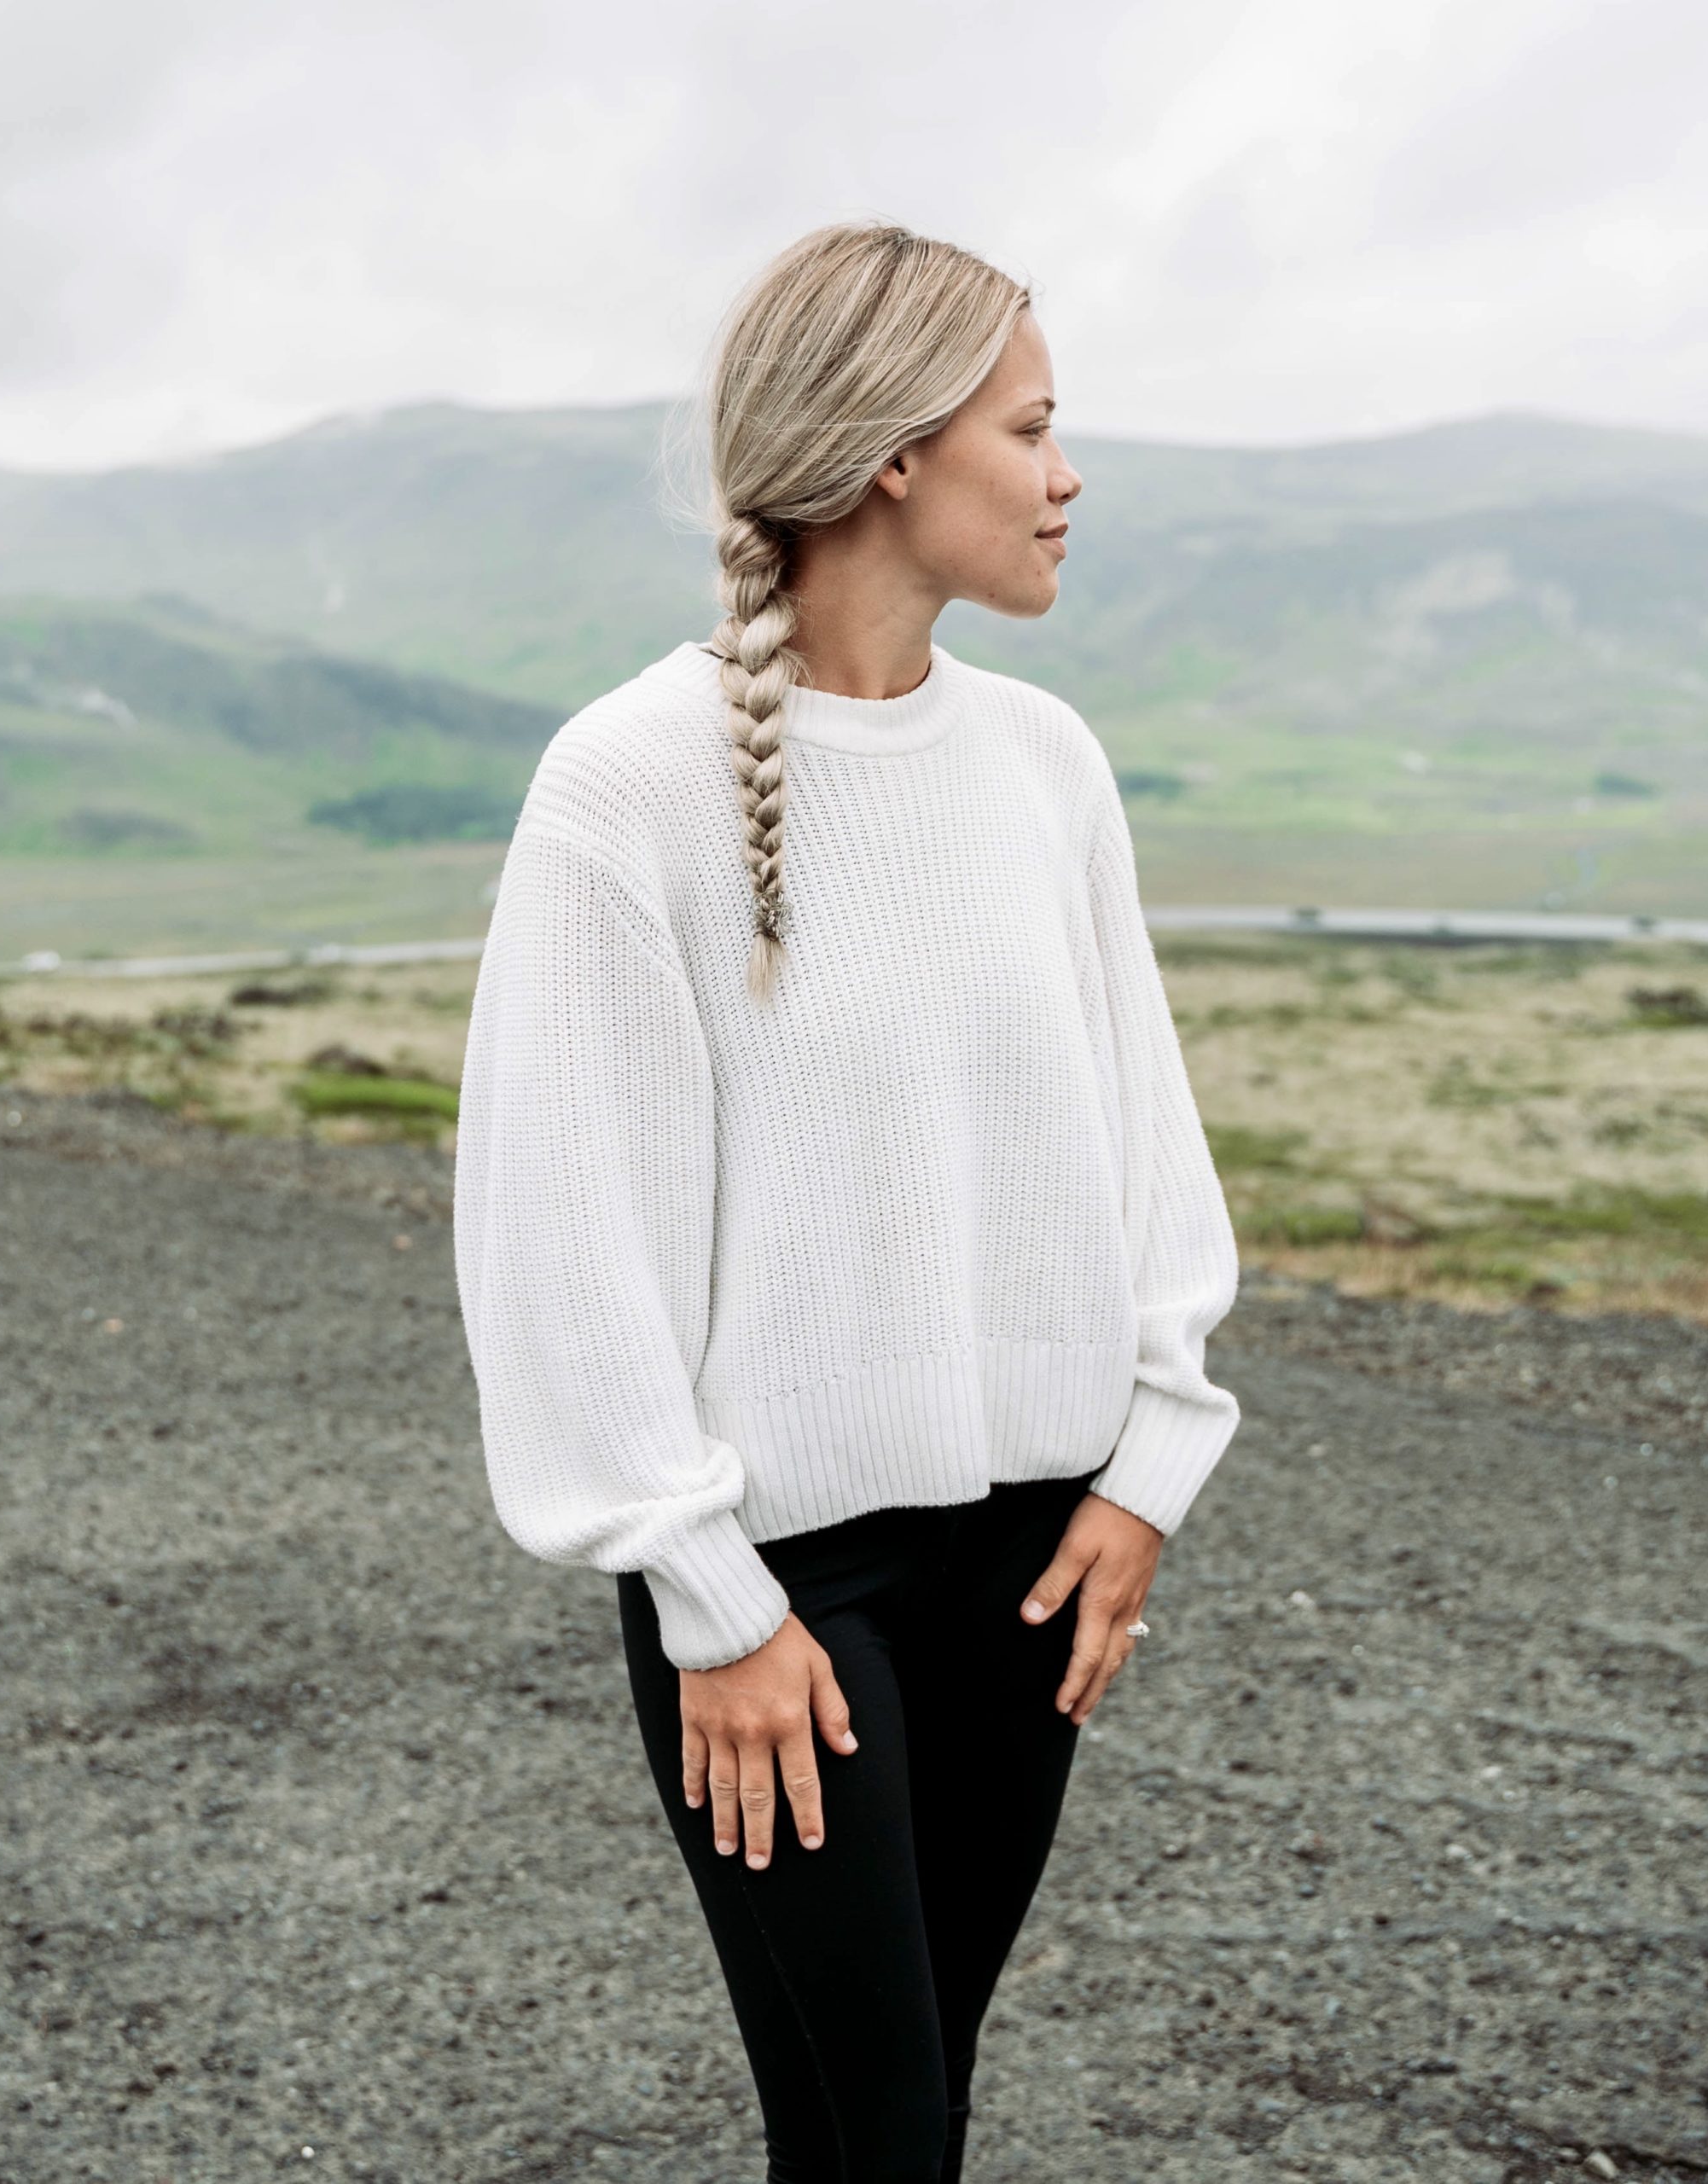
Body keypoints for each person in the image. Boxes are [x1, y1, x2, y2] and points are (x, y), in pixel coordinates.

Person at [451, 218, 1243, 2184]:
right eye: (1034, 429)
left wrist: (1151, 1460)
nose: (1069, 479)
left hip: (1031, 1563)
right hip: (784, 1587)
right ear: (894, 453)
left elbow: (1141, 1130)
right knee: (878, 2129)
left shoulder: (1047, 765)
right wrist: (706, 1594)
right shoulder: (626, 783)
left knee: (911, 2117)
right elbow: (561, 1227)